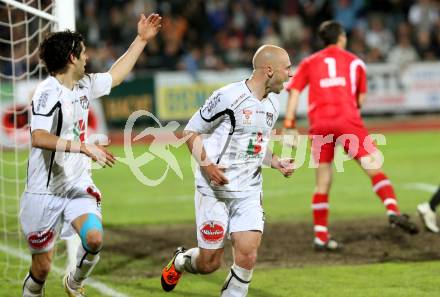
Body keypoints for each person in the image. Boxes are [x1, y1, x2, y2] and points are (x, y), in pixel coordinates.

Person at [20, 13, 162, 297]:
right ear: (72, 58)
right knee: (42, 269)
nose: (88, 58)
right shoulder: (47, 93)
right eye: (83, 53)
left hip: (76, 184)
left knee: (94, 238)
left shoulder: (84, 84)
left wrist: (141, 39)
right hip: (43, 192)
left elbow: (116, 76)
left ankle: (73, 283)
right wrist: (82, 146)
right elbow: (39, 138)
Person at [160, 45, 295, 296]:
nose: (290, 74)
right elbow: (190, 131)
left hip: (249, 192)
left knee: (247, 255)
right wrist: (208, 166)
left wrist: (275, 162)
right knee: (209, 263)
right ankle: (181, 260)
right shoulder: (227, 96)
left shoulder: (273, 104)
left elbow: (255, 146)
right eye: (287, 68)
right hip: (214, 191)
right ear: (268, 70)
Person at [283, 20, 419, 251]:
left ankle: (321, 236)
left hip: (320, 123)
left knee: (322, 181)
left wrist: (289, 122)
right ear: (342, 38)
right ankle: (392, 210)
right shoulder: (355, 62)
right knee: (373, 167)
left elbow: (294, 91)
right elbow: (361, 100)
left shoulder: (309, 62)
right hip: (347, 120)